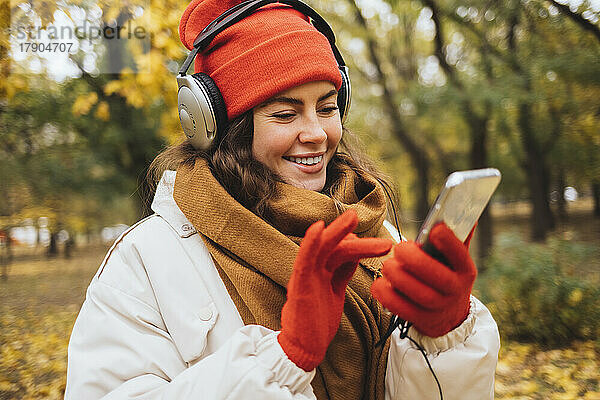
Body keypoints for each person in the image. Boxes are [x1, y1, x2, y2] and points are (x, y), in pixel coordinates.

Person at [64, 0, 500, 399]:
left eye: (327, 108)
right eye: (285, 114)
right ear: (221, 128)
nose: (315, 133)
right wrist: (285, 359)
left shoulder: (371, 228)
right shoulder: (145, 259)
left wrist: (442, 338)